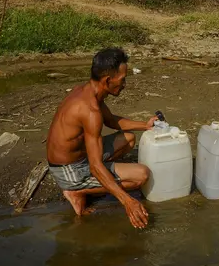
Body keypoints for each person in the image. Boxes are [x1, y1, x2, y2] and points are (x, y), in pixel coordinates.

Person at [46, 47, 158, 229]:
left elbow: (112, 121)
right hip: (68, 169)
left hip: (80, 157)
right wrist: (127, 202)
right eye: (122, 80)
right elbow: (95, 166)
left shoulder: (89, 91)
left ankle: (89, 186)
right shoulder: (90, 111)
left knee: (128, 139)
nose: (124, 84)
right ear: (107, 80)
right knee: (141, 176)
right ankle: (76, 191)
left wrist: (145, 125)